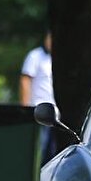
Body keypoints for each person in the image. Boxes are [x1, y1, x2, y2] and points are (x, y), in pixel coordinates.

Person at [20, 31, 57, 163]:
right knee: (39, 150)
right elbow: (25, 80)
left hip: (56, 113)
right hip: (39, 111)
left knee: (53, 152)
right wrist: (26, 109)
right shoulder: (35, 56)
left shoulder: (59, 59)